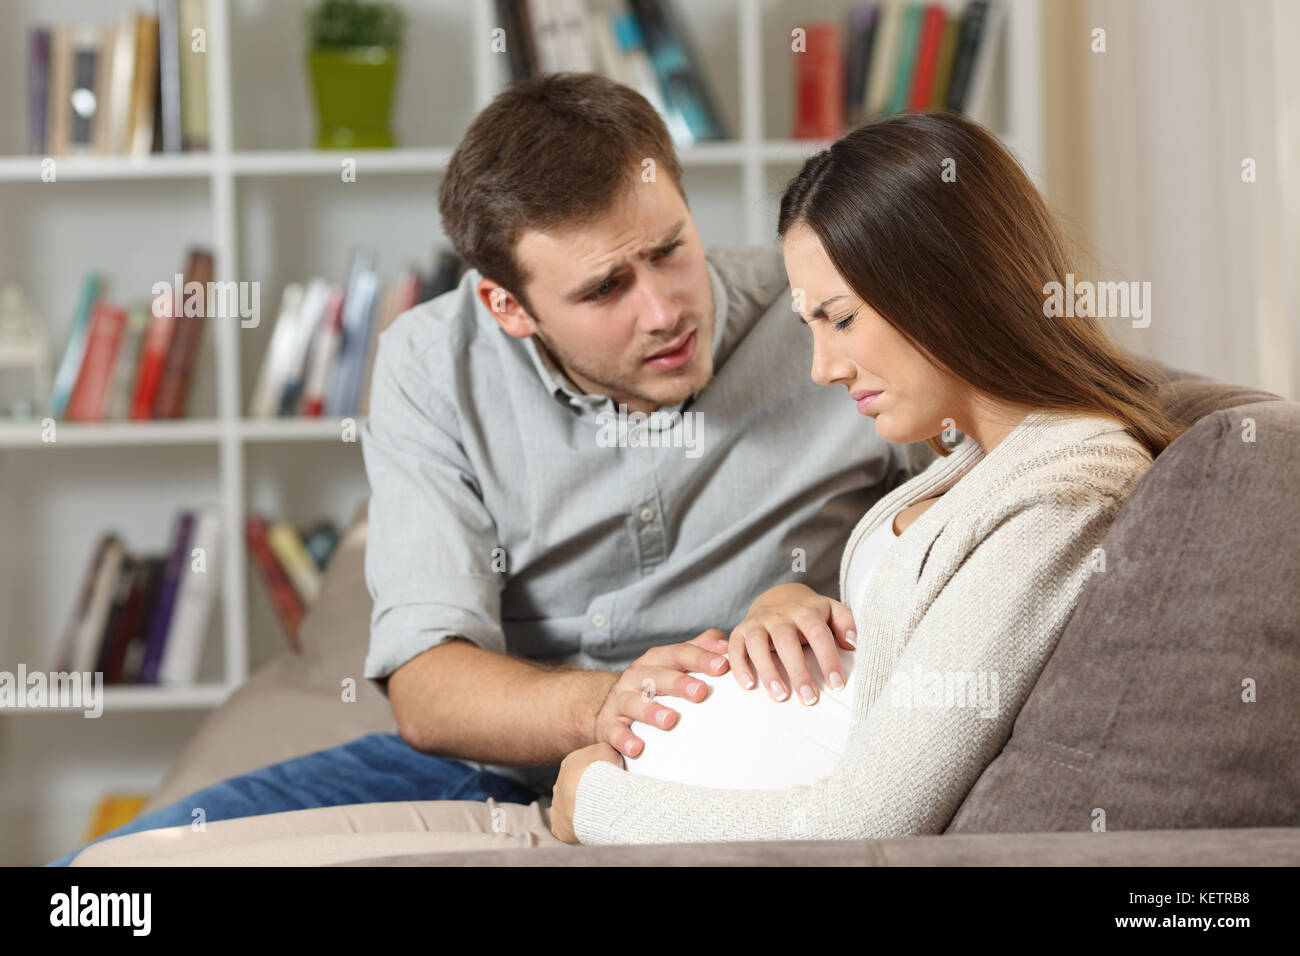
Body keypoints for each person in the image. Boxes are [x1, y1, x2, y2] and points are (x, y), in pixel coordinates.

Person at [51, 73, 931, 866]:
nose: (665, 310)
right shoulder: (434, 363)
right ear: (507, 306)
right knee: (102, 880)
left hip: (733, 753)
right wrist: (603, 703)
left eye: (669, 248)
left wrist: (826, 598)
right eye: (602, 290)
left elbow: (963, 514)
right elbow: (430, 688)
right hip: (494, 764)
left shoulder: (829, 314)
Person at [546, 109, 1188, 845]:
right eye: (809, 325)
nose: (823, 368)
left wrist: (591, 800)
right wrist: (790, 602)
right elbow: (894, 645)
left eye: (840, 319)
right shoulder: (985, 453)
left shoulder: (1067, 487)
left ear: (948, 285)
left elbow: (870, 820)